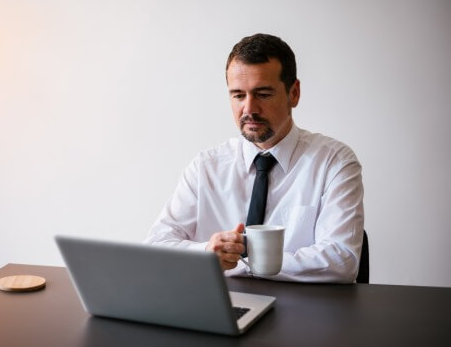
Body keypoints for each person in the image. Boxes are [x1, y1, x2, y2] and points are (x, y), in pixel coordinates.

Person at [144, 33, 364, 283]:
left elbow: (342, 260)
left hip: (302, 314)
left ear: (293, 93)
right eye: (238, 95)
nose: (249, 109)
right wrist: (206, 253)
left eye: (263, 94)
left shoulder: (334, 162)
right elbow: (156, 246)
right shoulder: (205, 167)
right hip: (221, 310)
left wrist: (243, 264)